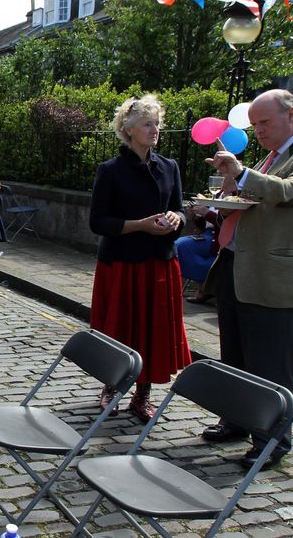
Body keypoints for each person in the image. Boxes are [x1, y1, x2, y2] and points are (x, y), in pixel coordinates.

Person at [201, 89, 293, 467]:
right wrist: (224, 195)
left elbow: (292, 194)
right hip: (239, 268)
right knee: (236, 356)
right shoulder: (273, 155)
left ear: (291, 114)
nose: (258, 130)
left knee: (272, 366)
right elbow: (256, 204)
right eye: (255, 124)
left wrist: (243, 173)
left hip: (279, 278)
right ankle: (236, 420)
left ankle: (271, 441)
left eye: (265, 122)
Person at [89, 94, 191, 422]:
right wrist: (140, 226)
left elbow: (179, 207)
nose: (155, 129)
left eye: (157, 124)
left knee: (153, 330)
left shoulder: (169, 167)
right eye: (147, 124)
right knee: (119, 328)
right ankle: (111, 386)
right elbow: (98, 222)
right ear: (128, 129)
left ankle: (142, 395)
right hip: (122, 263)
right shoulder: (111, 170)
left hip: (159, 261)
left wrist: (177, 219)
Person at [175, 201, 220, 303]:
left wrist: (208, 214)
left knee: (181, 246)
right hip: (207, 235)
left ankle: (202, 287)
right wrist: (193, 215)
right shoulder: (218, 195)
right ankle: (202, 287)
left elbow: (225, 223)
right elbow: (203, 225)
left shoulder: (234, 198)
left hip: (219, 237)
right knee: (178, 245)